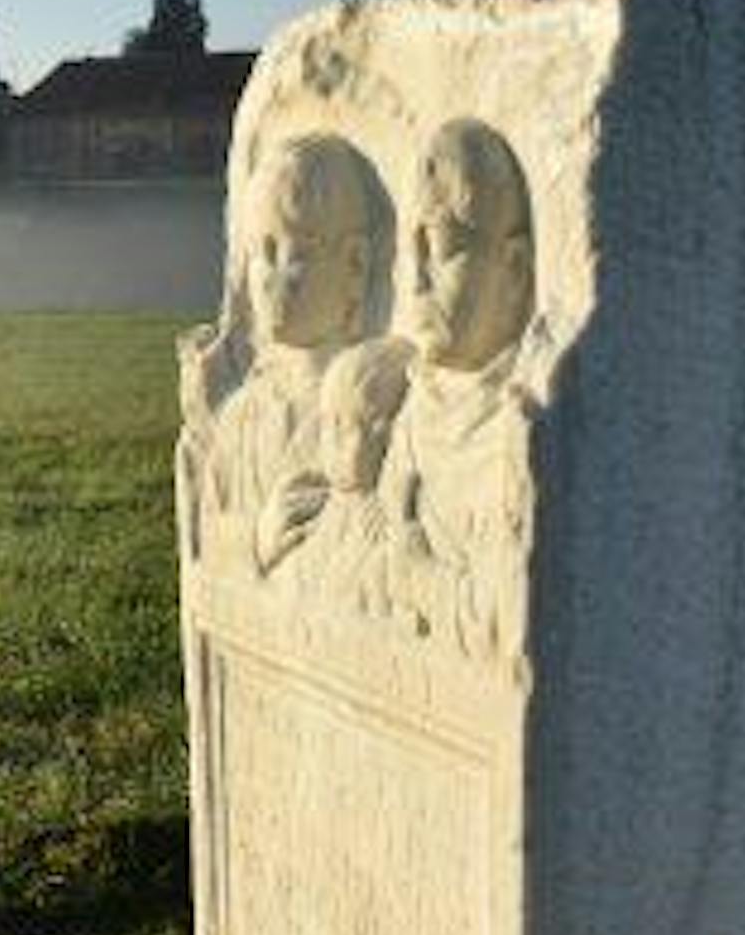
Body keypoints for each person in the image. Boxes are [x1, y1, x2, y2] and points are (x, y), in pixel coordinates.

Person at [379, 119, 537, 657]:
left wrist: (419, 578)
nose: (416, 281)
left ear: (514, 269)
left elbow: (506, 623)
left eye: (442, 248)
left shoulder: (519, 433)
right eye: (409, 253)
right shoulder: (413, 413)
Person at [206, 133, 388, 575]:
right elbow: (206, 534)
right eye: (263, 252)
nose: (272, 277)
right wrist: (255, 543)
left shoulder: (375, 407)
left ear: (356, 265)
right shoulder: (240, 418)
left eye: (296, 252)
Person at [264, 339, 414, 616]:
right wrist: (271, 549)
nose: (331, 440)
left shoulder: (386, 526)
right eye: (327, 422)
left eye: (345, 424)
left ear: (389, 433)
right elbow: (300, 578)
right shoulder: (322, 508)